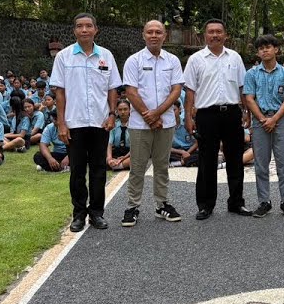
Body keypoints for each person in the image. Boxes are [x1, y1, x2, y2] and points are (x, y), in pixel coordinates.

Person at [50, 12, 122, 232]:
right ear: (74, 31)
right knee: (77, 171)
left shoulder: (106, 56)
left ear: (95, 29)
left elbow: (112, 88)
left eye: (88, 26)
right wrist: (62, 123)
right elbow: (60, 92)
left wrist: (112, 114)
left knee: (99, 170)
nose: (84, 30)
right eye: (79, 26)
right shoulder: (64, 57)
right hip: (75, 123)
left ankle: (97, 213)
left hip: (100, 122)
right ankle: (79, 214)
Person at [120, 19, 185, 226]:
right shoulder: (134, 61)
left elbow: (176, 90)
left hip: (165, 122)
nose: (154, 35)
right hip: (140, 124)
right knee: (137, 167)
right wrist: (149, 115)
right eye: (150, 32)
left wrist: (157, 114)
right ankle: (132, 206)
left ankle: (162, 204)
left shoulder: (172, 61)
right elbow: (130, 91)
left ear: (164, 36)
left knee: (162, 166)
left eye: (158, 32)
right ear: (144, 35)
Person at [184, 18, 250, 220]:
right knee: (207, 160)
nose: (215, 35)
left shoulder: (235, 58)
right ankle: (205, 205)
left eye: (218, 32)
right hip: (206, 115)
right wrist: (188, 116)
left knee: (235, 159)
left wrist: (245, 111)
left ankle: (236, 202)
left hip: (232, 113)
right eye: (210, 31)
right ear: (204, 35)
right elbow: (189, 92)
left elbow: (241, 88)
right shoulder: (196, 59)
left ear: (225, 35)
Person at [243, 34, 284, 219]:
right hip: (260, 123)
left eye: (268, 47)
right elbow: (249, 98)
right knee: (261, 163)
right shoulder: (251, 74)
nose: (265, 50)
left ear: (276, 49)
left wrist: (274, 119)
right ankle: (264, 201)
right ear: (258, 52)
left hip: (280, 121)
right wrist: (262, 118)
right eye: (261, 48)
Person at [106, 99, 133, 171]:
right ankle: (116, 164)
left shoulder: (134, 124)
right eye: (120, 110)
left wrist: (123, 158)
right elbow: (109, 143)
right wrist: (109, 158)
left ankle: (117, 166)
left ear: (130, 110)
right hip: (116, 152)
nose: (123, 112)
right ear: (116, 111)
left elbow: (135, 146)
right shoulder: (114, 124)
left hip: (129, 153)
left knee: (135, 160)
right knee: (100, 157)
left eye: (125, 109)